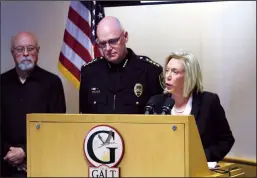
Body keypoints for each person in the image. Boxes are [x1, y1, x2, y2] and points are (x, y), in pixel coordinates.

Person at [147, 51, 235, 162]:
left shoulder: (208, 102)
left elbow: (226, 140)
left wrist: (200, 158)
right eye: (167, 70)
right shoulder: (156, 102)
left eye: (175, 72)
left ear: (189, 76)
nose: (168, 76)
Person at [1, 32, 66, 177]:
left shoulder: (52, 83)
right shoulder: (1, 83)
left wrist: (25, 151)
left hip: (42, 163)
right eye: (20, 49)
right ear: (12, 52)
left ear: (38, 51)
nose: (25, 53)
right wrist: (9, 153)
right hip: (5, 165)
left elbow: (57, 127)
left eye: (30, 48)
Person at [79, 16, 164, 114]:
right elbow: (84, 118)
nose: (108, 48)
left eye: (113, 41)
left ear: (125, 36)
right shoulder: (90, 72)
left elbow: (160, 119)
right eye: (102, 43)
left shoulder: (150, 71)